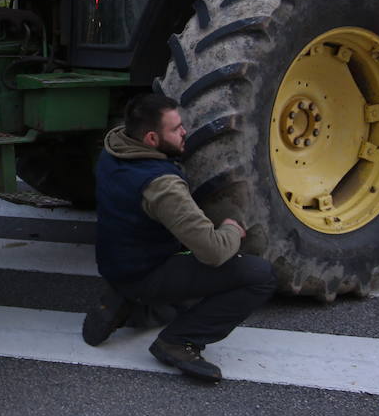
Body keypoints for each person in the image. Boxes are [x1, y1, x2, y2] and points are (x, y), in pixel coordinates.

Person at [83, 93, 275, 382]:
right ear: (150, 139)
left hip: (116, 264)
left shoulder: (113, 149)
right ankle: (178, 340)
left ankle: (126, 300)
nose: (185, 132)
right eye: (175, 129)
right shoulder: (162, 186)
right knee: (259, 275)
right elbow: (214, 251)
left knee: (184, 260)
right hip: (146, 272)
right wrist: (232, 229)